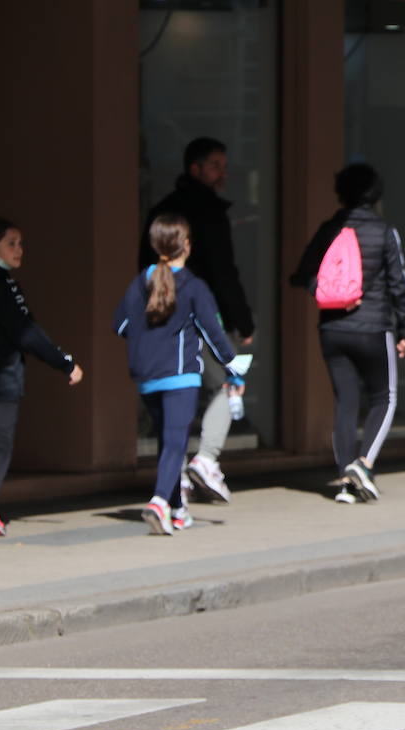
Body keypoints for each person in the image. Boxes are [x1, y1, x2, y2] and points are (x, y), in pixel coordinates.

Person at [141, 137, 255, 502]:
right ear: (196, 168)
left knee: (176, 395)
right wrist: (242, 320)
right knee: (229, 382)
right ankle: (205, 459)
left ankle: (175, 480)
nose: (223, 172)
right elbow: (224, 271)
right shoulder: (208, 214)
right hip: (204, 320)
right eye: (216, 165)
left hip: (162, 324)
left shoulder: (162, 212)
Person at [289, 162, 405, 504]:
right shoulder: (385, 231)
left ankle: (346, 480)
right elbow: (399, 284)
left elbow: (302, 275)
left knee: (345, 402)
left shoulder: (329, 229)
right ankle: (364, 464)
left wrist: (326, 294)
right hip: (374, 328)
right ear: (375, 194)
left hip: (332, 328)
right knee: (385, 398)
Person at [116, 214, 245, 536]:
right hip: (180, 376)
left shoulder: (140, 282)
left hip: (147, 376)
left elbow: (120, 325)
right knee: (175, 442)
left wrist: (147, 340)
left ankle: (176, 509)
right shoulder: (193, 285)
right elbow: (213, 333)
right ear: (186, 245)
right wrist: (235, 370)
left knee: (168, 441)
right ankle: (160, 501)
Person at [0, 218, 84, 536]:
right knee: (1, 441)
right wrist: (65, 363)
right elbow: (27, 332)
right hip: (1, 375)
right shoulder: (2, 284)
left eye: (20, 242)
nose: (20, 250)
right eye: (11, 243)